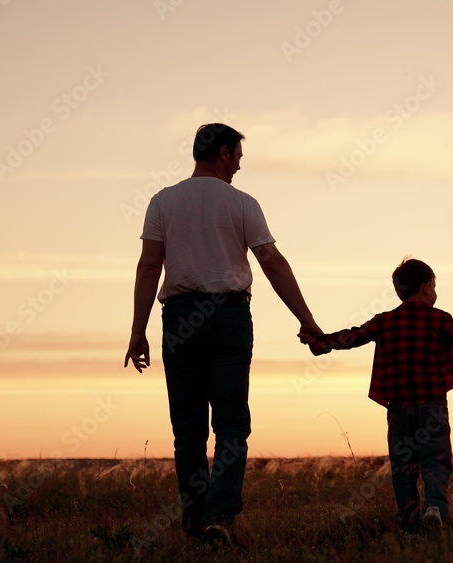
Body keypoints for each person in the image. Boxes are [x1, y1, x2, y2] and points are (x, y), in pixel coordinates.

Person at [124, 123, 322, 544]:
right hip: (229, 317)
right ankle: (219, 518)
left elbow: (148, 266)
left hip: (179, 319)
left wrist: (137, 330)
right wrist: (305, 318)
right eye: (237, 159)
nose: (238, 168)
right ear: (223, 154)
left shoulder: (163, 201)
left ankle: (197, 521)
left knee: (188, 429)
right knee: (231, 423)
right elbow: (271, 261)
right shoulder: (242, 203)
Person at [308, 258, 453, 534]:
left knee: (403, 467)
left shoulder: (384, 321)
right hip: (433, 407)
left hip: (399, 409)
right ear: (426, 287)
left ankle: (408, 522)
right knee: (436, 461)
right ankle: (434, 508)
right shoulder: (440, 319)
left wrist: (319, 342)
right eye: (435, 286)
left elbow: (352, 337)